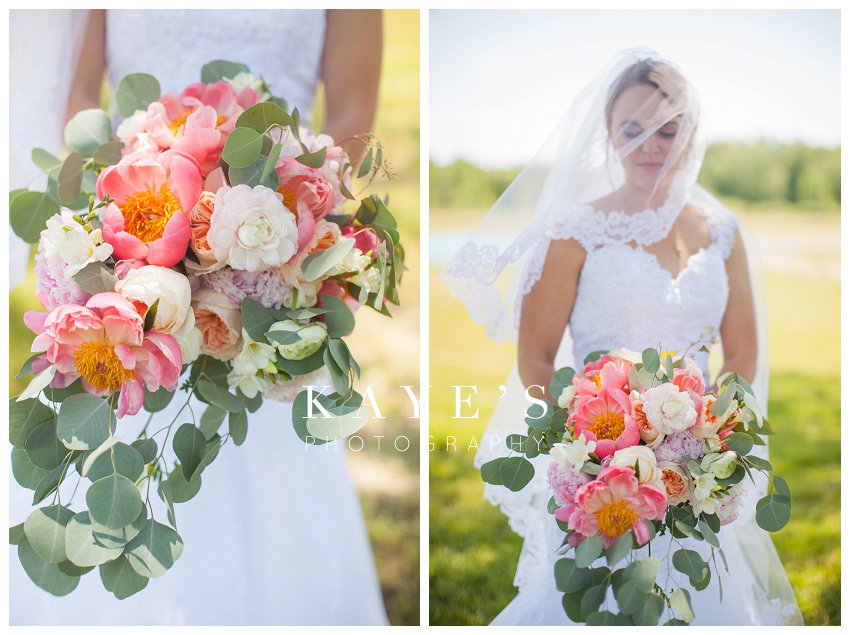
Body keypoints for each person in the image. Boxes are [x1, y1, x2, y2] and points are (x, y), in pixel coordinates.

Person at [9, 9, 388, 625]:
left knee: (259, 449)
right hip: (133, 225)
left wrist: (273, 221)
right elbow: (80, 95)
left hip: (272, 248)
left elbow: (350, 119)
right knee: (116, 424)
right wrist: (129, 204)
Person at [442, 48, 803, 625]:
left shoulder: (724, 233)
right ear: (608, 135)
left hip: (695, 466)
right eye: (632, 130)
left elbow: (740, 351)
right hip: (603, 470)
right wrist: (588, 446)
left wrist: (711, 438)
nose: (650, 147)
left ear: (692, 133)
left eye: (668, 130)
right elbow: (535, 357)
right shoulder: (572, 230)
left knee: (698, 597)